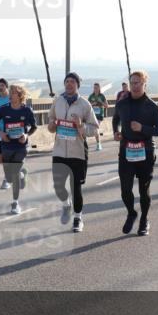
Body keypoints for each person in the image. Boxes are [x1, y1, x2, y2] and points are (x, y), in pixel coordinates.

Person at [112, 70, 158, 236]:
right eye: (132, 82)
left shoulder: (151, 106)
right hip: (126, 150)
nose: (134, 86)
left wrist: (142, 128)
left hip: (145, 151)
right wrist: (116, 131)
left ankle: (144, 220)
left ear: (144, 84)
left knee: (144, 190)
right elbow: (116, 119)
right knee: (125, 189)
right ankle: (131, 213)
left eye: (138, 83)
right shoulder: (122, 103)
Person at [47, 72, 99, 232]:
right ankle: (66, 204)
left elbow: (94, 129)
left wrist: (80, 125)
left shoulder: (84, 104)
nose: (69, 84)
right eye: (67, 81)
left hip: (78, 152)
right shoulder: (58, 101)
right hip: (59, 151)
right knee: (58, 186)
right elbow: (50, 121)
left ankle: (78, 218)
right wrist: (52, 125)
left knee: (76, 188)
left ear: (77, 85)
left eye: (72, 82)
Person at [0, 83, 37, 215]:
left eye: (13, 93)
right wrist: (1, 133)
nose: (10, 95)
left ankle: (15, 203)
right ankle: (22, 174)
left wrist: (26, 135)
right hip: (7, 146)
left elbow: (34, 127)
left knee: (15, 174)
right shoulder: (3, 109)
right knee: (9, 178)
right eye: (10, 93)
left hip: (21, 147)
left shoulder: (26, 110)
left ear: (20, 95)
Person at [88, 83, 109, 151]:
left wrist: (101, 102)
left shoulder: (102, 96)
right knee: (93, 129)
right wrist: (92, 104)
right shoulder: (91, 96)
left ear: (99, 88)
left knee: (96, 128)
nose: (95, 89)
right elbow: (87, 106)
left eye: (97, 88)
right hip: (92, 115)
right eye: (94, 88)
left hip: (99, 115)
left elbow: (107, 106)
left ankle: (98, 144)